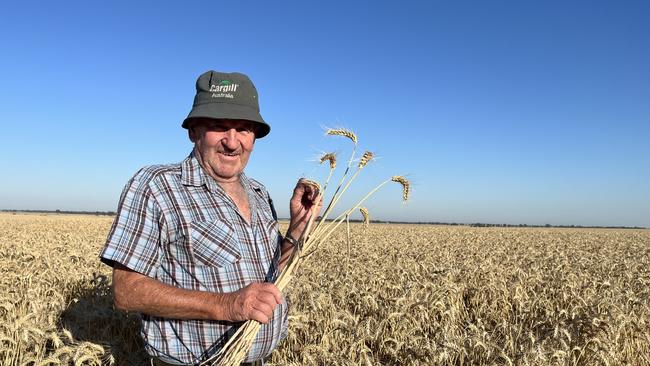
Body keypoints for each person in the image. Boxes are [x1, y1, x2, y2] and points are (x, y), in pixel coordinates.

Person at [100, 70, 320, 365]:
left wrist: (298, 226)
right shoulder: (157, 186)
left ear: (254, 137)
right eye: (219, 127)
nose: (232, 142)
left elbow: (273, 275)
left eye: (243, 129)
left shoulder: (258, 192)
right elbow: (127, 291)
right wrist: (227, 305)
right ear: (193, 131)